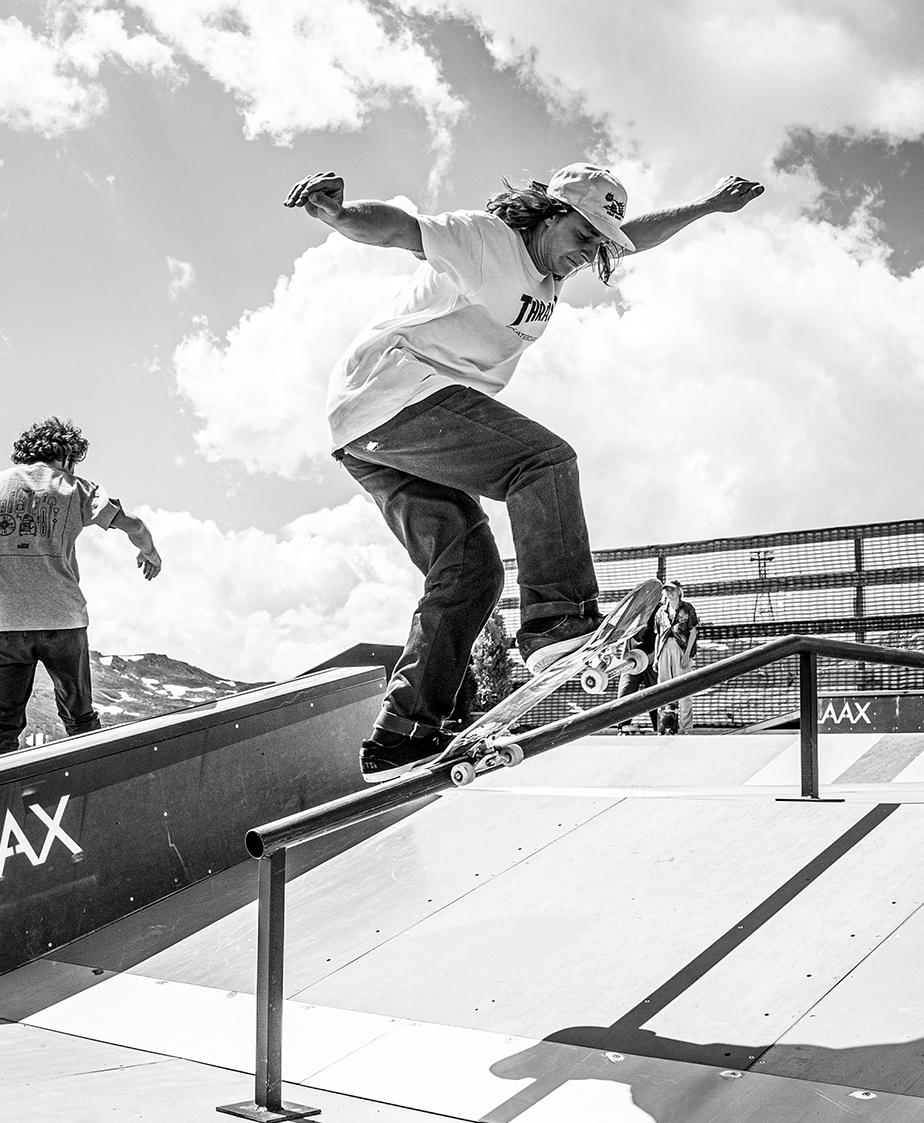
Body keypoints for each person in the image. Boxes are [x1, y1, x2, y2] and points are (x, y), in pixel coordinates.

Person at [287, 162, 765, 779]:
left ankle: (401, 737)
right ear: (550, 213)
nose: (585, 257)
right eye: (581, 237)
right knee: (543, 463)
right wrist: (339, 215)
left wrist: (705, 207)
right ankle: (557, 626)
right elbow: (400, 230)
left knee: (470, 575)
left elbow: (633, 235)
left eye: (598, 246)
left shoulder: (553, 272)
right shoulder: (486, 240)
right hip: (394, 396)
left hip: (372, 437)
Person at [0, 418, 162, 757]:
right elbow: (134, 525)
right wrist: (149, 552)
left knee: (1, 731)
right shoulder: (77, 488)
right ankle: (91, 784)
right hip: (63, 621)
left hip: (4, 625)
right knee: (80, 718)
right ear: (66, 457)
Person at [652, 580, 701, 733]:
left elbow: (693, 632)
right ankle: (665, 725)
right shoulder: (661, 612)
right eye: (667, 590)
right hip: (664, 649)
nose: (670, 593)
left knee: (685, 688)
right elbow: (658, 635)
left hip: (681, 649)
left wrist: (687, 655)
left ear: (679, 591)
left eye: (672, 590)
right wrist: (656, 657)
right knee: (663, 688)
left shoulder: (687, 608)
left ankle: (686, 727)